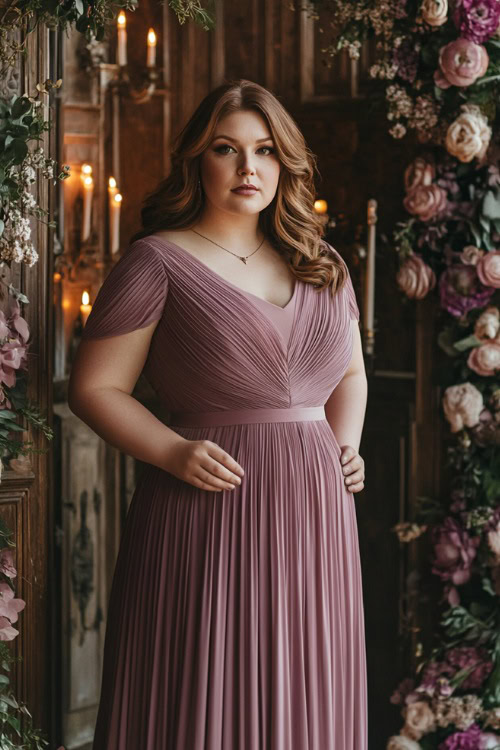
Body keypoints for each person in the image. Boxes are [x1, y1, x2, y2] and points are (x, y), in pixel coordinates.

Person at [68, 78, 368, 750]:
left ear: (285, 162)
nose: (248, 168)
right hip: (206, 505)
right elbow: (93, 388)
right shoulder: (157, 260)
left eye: (264, 151)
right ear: (197, 160)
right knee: (202, 692)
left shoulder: (323, 265)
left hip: (317, 512)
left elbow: (349, 374)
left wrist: (345, 444)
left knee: (305, 685)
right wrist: (171, 451)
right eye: (227, 150)